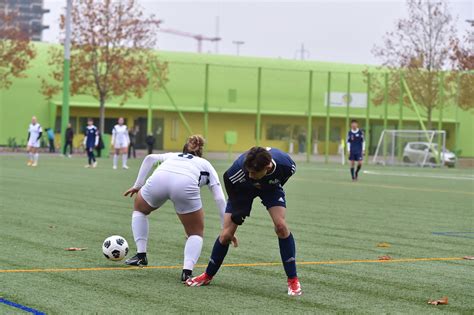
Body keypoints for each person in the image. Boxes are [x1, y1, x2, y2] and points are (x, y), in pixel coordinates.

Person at [185, 146, 302, 296]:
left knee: (281, 226)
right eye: (249, 172)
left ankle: (293, 280)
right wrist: (239, 210)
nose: (250, 175)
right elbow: (228, 180)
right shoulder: (240, 168)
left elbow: (283, 178)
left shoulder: (287, 165)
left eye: (254, 172)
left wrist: (271, 186)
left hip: (270, 187)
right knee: (226, 235)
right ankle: (207, 275)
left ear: (267, 167)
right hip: (242, 190)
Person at [123, 135, 231, 282]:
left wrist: (137, 185)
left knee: (140, 210)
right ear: (200, 152)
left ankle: (141, 256)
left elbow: (149, 158)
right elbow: (219, 197)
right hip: (185, 185)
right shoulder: (205, 163)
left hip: (159, 179)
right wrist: (225, 226)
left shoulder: (173, 156)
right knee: (195, 233)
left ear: (184, 148)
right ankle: (187, 272)